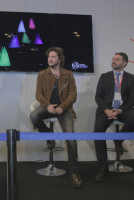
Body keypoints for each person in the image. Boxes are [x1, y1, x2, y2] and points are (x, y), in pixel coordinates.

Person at [30, 47, 82, 189]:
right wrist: (47, 106)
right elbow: (38, 95)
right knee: (34, 115)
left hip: (64, 109)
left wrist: (63, 107)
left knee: (71, 139)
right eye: (49, 57)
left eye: (53, 57)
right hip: (48, 107)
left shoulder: (68, 74)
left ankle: (74, 172)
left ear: (60, 59)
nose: (50, 59)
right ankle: (49, 136)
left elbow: (73, 95)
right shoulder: (42, 74)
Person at [94, 52, 134, 181]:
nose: (113, 61)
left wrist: (120, 110)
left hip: (123, 109)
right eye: (113, 59)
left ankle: (118, 140)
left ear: (124, 63)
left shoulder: (132, 78)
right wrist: (106, 110)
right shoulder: (104, 77)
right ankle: (103, 168)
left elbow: (133, 99)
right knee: (98, 133)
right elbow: (98, 97)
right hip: (106, 110)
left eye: (117, 59)